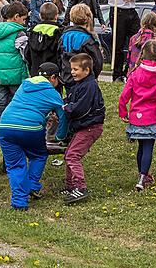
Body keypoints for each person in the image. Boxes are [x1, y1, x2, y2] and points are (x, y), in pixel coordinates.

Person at [0, 62, 67, 211]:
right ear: (53, 77)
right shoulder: (53, 94)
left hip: (5, 126)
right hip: (30, 128)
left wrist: (44, 118)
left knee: (15, 165)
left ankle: (19, 202)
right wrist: (61, 136)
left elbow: (27, 106)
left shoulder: (24, 85)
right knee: (39, 155)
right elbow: (63, 117)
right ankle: (33, 186)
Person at [119, 39, 156, 191]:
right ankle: (143, 176)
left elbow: (124, 95)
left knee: (141, 147)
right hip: (151, 116)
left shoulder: (136, 72)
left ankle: (142, 175)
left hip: (136, 116)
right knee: (148, 148)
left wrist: (123, 111)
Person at [60, 53, 106, 204]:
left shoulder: (89, 86)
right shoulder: (79, 84)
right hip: (83, 126)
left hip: (90, 127)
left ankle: (80, 187)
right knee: (69, 154)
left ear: (86, 71)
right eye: (71, 69)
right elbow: (71, 99)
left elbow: (82, 108)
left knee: (72, 156)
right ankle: (70, 186)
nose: (72, 72)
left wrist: (67, 108)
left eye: (76, 69)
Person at [100, 0, 144, 81]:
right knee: (118, 45)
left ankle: (129, 71)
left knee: (137, 41)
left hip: (132, 11)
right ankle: (117, 74)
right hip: (118, 11)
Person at [0, 1, 30, 129]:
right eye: (23, 19)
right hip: (14, 74)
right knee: (16, 101)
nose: (24, 22)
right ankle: (14, 126)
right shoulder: (19, 34)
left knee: (0, 102)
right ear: (16, 17)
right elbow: (25, 54)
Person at [59, 3, 104, 89]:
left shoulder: (64, 36)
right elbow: (97, 60)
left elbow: (59, 57)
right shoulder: (88, 38)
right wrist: (93, 75)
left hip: (67, 76)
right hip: (85, 78)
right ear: (88, 18)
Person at [26, 2, 62, 77]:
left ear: (40, 16)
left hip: (35, 72)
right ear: (56, 16)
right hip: (53, 75)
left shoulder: (32, 31)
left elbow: (27, 53)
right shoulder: (59, 32)